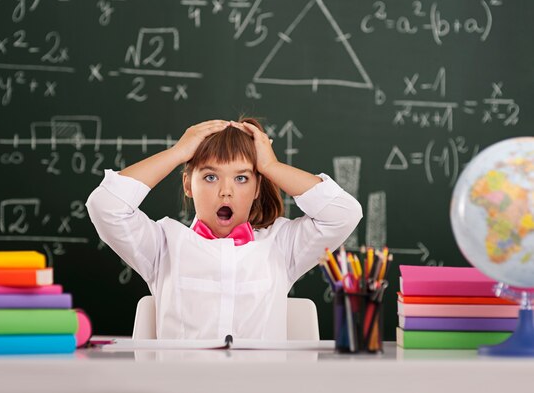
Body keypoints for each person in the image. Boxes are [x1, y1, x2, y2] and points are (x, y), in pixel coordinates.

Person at [86, 118, 362, 340]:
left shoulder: (281, 244)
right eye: (210, 177)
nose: (226, 191)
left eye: (242, 178)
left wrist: (270, 166)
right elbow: (105, 206)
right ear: (187, 185)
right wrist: (177, 153)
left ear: (257, 188)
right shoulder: (164, 244)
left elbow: (344, 214)